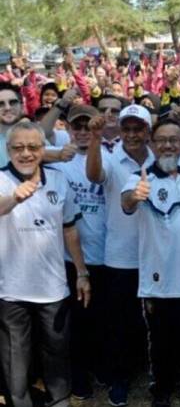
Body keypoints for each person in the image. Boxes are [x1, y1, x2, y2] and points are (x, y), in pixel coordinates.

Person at [0, 121, 91, 407]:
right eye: (18, 148)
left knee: (57, 354)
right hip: (10, 290)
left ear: (43, 149)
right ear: (8, 150)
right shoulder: (1, 180)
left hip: (53, 288)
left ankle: (59, 400)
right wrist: (15, 197)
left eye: (33, 147)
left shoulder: (59, 180)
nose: (26, 153)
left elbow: (70, 230)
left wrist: (82, 272)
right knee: (16, 364)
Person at [121, 119, 180, 407]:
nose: (168, 145)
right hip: (157, 279)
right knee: (160, 340)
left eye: (174, 139)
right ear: (151, 144)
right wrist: (135, 196)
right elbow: (126, 203)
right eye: (161, 140)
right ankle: (161, 388)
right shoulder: (138, 178)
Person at [86, 104, 154, 406]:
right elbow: (94, 173)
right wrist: (95, 139)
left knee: (154, 321)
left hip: (155, 254)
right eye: (126, 129)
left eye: (138, 128)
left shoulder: (162, 159)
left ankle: (156, 372)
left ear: (148, 131)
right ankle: (120, 378)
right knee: (120, 324)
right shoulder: (112, 160)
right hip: (120, 256)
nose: (132, 134)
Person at [49, 105, 108, 399]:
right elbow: (20, 148)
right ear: (69, 129)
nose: (83, 131)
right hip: (71, 257)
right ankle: (79, 376)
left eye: (88, 125)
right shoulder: (60, 161)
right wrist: (53, 154)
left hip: (105, 253)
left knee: (100, 318)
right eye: (78, 126)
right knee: (77, 322)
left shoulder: (107, 156)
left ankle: (100, 367)